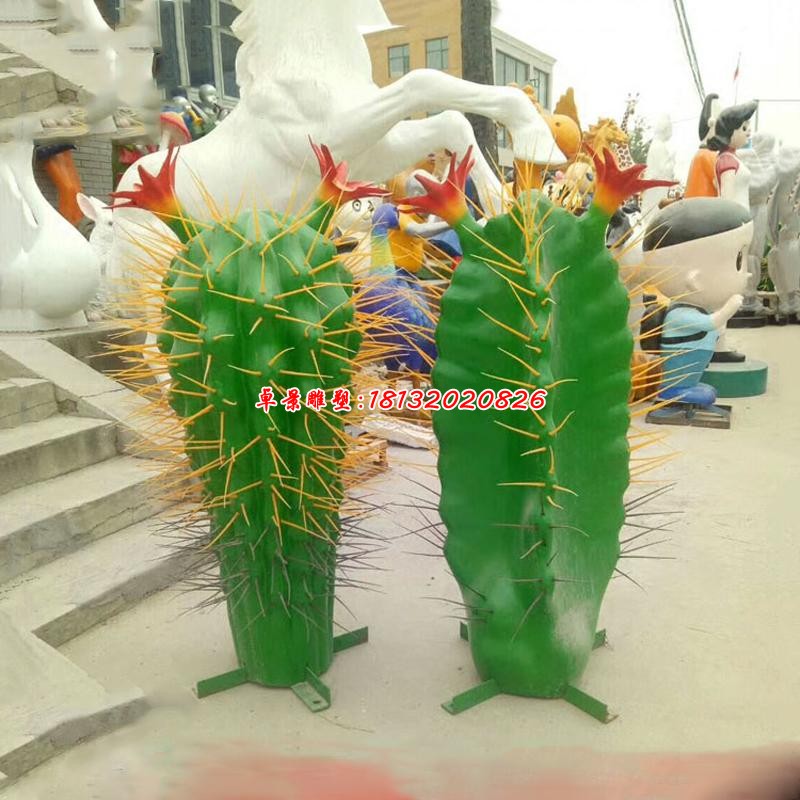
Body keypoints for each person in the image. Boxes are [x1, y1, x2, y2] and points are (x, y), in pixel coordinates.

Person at [707, 100, 758, 211]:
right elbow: (727, 198)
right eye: (744, 128)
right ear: (729, 132)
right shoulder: (727, 160)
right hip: (736, 217)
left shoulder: (730, 158)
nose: (749, 131)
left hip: (740, 215)